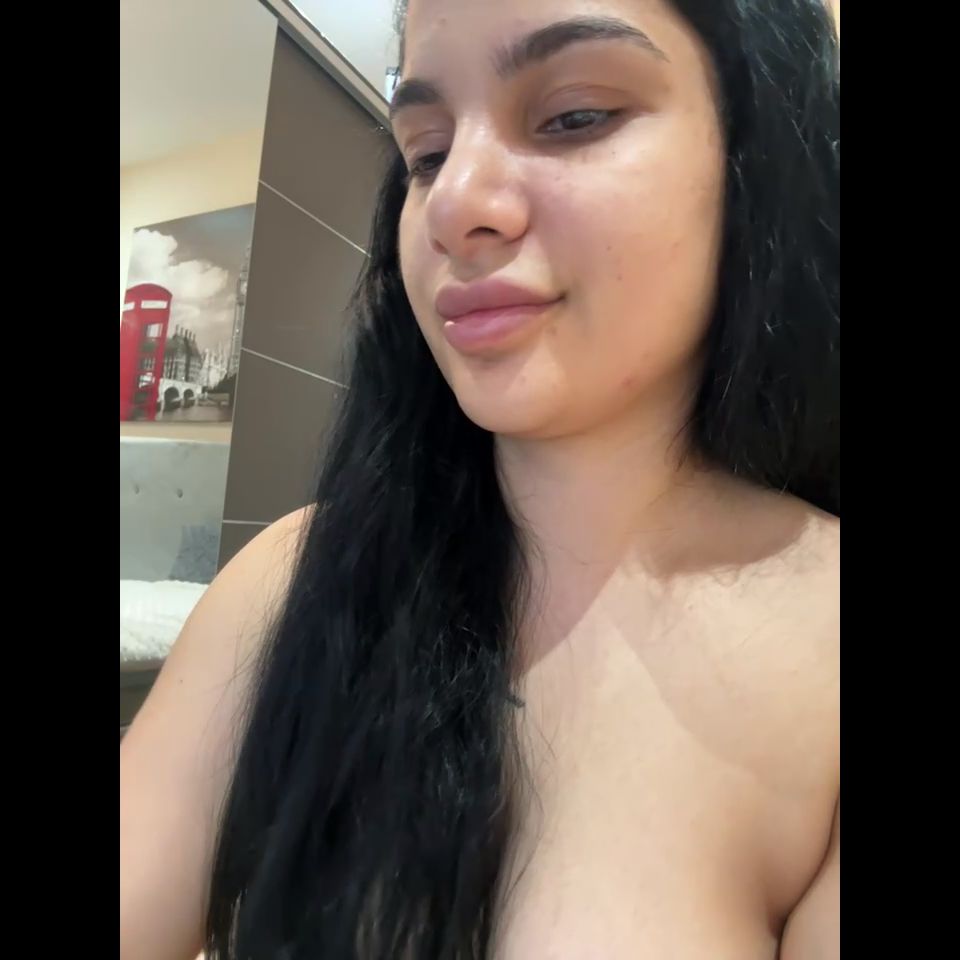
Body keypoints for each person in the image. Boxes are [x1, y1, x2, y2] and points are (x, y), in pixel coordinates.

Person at [120, 1, 840, 957]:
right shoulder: (285, 585)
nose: (455, 203)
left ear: (758, 156)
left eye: (575, 116)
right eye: (425, 154)